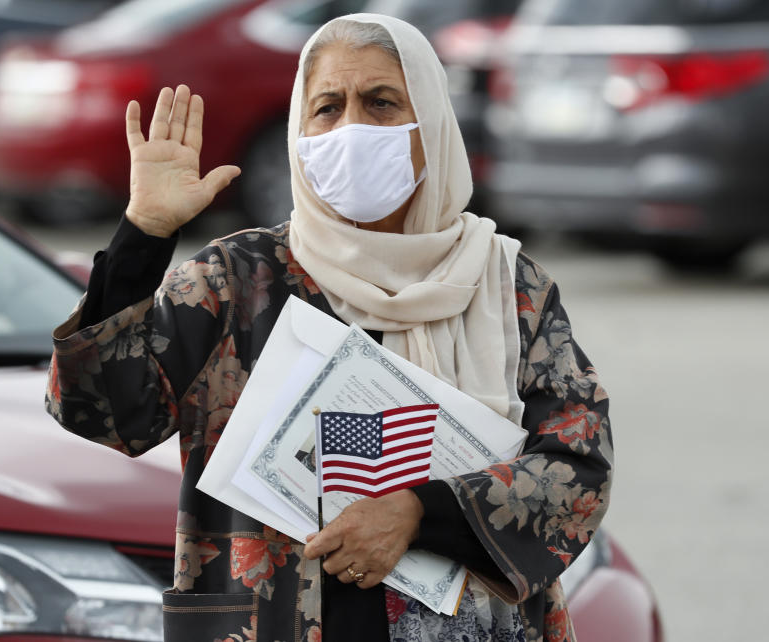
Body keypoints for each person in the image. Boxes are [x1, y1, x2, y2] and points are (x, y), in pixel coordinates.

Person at [46, 13, 612, 642]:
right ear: (299, 130)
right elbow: (102, 413)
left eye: (381, 103)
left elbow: (579, 467)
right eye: (328, 107)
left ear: (432, 123)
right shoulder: (239, 281)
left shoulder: (508, 284)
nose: (352, 130)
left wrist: (420, 515)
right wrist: (143, 236)